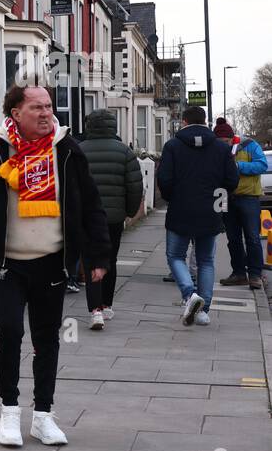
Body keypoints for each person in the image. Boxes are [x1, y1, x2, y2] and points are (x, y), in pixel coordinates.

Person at [0, 83, 111, 448]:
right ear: (15, 114)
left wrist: (97, 256)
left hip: (51, 264)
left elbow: (91, 206)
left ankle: (43, 416)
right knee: (10, 332)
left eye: (48, 106)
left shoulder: (67, 151)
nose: (46, 113)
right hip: (9, 265)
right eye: (36, 108)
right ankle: (9, 413)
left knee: (47, 340)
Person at [157, 107, 240, 326]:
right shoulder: (221, 149)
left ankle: (189, 294)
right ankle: (203, 311)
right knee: (206, 260)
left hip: (180, 209)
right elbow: (232, 181)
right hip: (211, 210)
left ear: (184, 122)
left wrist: (173, 198)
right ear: (205, 122)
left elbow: (164, 180)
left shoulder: (172, 146)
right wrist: (219, 200)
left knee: (175, 256)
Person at [79, 109, 144, 330]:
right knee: (109, 260)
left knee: (90, 261)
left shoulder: (79, 151)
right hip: (113, 218)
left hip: (86, 218)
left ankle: (94, 310)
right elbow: (135, 187)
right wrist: (129, 211)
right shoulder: (124, 152)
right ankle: (106, 305)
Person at [213, 118, 268, 290]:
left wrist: (238, 166)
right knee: (233, 238)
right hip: (226, 197)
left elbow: (262, 165)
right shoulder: (217, 151)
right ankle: (238, 273)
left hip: (248, 197)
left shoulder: (250, 145)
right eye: (220, 143)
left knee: (252, 237)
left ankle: (255, 275)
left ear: (232, 138)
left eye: (226, 142)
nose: (223, 145)